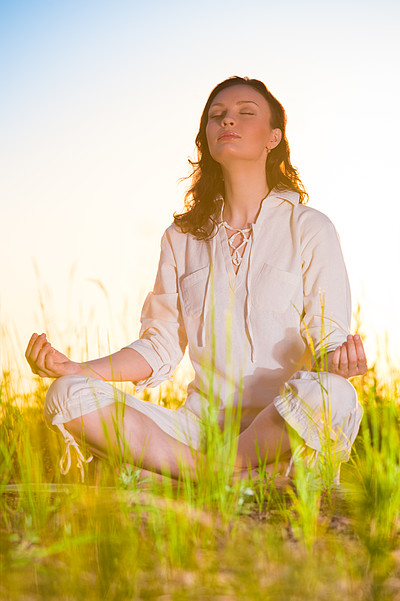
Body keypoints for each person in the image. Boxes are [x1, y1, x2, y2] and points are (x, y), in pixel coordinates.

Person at [25, 76, 367, 485]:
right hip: (197, 432)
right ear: (206, 137)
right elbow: (160, 346)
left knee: (335, 395)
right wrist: (77, 368)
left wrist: (340, 364)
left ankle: (193, 472)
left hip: (279, 425)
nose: (227, 121)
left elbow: (329, 339)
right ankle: (233, 477)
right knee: (67, 394)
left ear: (273, 137)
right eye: (216, 116)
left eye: (245, 113)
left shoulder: (310, 228)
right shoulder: (182, 236)